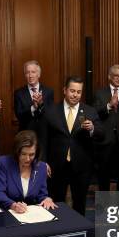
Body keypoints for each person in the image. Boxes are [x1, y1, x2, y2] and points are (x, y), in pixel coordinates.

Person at [40, 76, 103, 216]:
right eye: (72, 91)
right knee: (56, 204)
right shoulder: (50, 111)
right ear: (64, 90)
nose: (75, 95)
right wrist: (43, 162)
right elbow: (43, 140)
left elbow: (101, 134)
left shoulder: (90, 111)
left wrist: (92, 128)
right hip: (56, 167)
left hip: (81, 167)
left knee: (80, 204)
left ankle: (79, 235)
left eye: (78, 92)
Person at [0, 130, 56, 212]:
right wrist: (13, 205)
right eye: (23, 154)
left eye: (31, 154)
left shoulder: (42, 167)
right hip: (7, 212)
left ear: (36, 153)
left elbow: (42, 195)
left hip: (31, 214)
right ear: (17, 151)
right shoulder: (4, 163)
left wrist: (47, 199)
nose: (27, 159)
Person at [14, 60, 54, 132]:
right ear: (25, 75)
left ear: (39, 74)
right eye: (27, 72)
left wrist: (41, 104)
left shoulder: (49, 92)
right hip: (26, 134)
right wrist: (33, 107)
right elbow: (19, 116)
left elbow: (51, 115)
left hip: (44, 135)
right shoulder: (18, 93)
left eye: (33, 72)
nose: (30, 75)